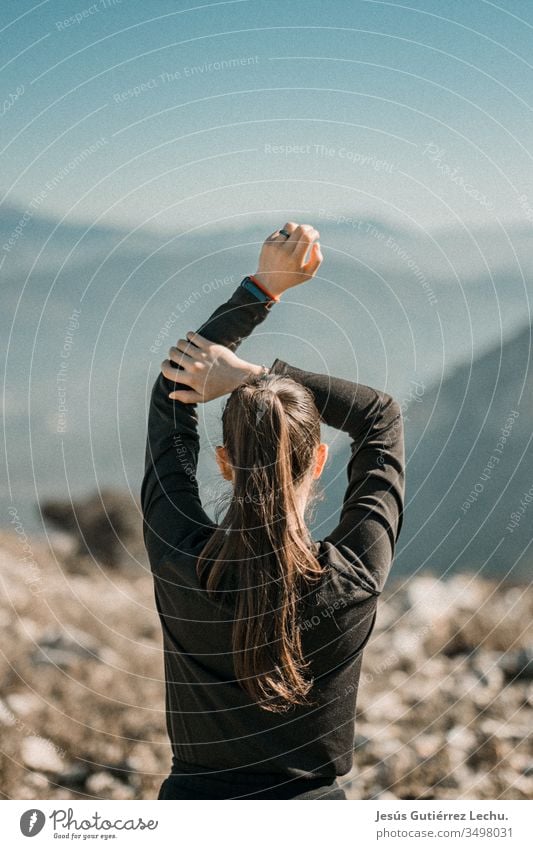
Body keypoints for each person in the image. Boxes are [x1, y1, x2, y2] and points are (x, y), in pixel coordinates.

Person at [141, 222, 405, 800]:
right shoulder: (353, 578)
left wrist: (262, 289)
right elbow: (381, 416)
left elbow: (172, 391)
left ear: (223, 462)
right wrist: (262, 378)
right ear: (318, 461)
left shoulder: (180, 557)